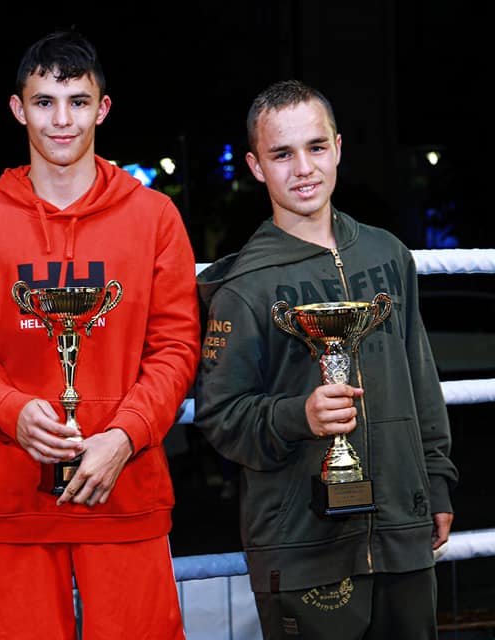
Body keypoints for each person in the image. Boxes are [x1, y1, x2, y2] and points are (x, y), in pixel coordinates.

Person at [0, 30, 200, 639]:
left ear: (102, 108)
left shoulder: (155, 217)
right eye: (44, 102)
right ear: (18, 108)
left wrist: (125, 435)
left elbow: (176, 347)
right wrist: (10, 411)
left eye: (78, 102)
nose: (62, 120)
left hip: (127, 492)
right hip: (16, 498)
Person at [194, 79, 458, 639]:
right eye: (281, 154)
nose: (303, 168)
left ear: (337, 148)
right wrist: (299, 416)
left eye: (315, 147)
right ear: (256, 166)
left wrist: (435, 482)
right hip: (302, 546)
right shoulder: (244, 285)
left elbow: (421, 381)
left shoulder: (388, 254)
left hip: (403, 528)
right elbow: (220, 416)